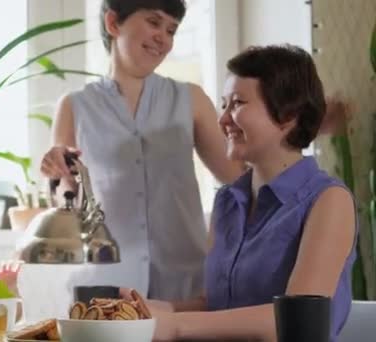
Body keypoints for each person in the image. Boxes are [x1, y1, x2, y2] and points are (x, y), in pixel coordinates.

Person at [125, 44, 357, 341]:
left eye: (237, 103)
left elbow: (296, 322)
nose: (222, 120)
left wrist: (173, 325)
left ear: (288, 114)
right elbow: (214, 307)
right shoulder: (227, 201)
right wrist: (151, 310)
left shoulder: (328, 200)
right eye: (224, 105)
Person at [39, 0, 244, 301]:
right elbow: (66, 200)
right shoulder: (74, 106)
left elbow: (237, 177)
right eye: (153, 21)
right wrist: (57, 173)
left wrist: (286, 133)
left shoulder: (191, 99)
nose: (164, 37)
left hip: (186, 284)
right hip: (104, 283)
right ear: (113, 23)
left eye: (171, 29)